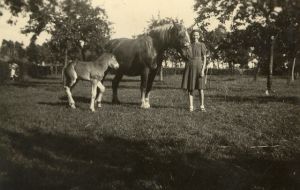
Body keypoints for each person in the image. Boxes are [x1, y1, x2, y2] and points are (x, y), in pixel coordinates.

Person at [181, 30, 207, 112]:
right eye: (194, 35)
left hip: (199, 66)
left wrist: (203, 70)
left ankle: (202, 106)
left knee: (201, 88)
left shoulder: (202, 45)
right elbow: (185, 57)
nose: (195, 36)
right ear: (192, 36)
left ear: (199, 36)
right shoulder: (189, 45)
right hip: (190, 66)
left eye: (197, 35)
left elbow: (205, 58)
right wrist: (185, 48)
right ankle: (191, 106)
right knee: (190, 88)